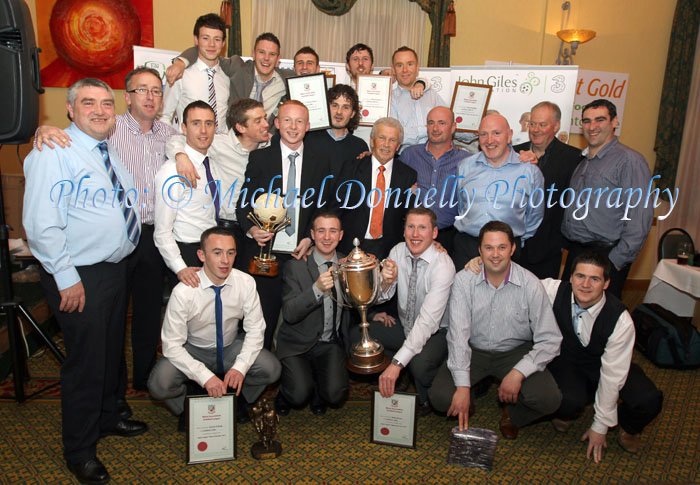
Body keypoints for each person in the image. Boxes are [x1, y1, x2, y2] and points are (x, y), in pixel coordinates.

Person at [23, 78, 147, 484]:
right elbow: (42, 225)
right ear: (70, 110)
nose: (99, 110)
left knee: (111, 353)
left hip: (113, 269)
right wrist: (65, 276)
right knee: (86, 365)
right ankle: (79, 450)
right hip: (79, 275)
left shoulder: (105, 148)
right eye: (89, 103)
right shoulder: (53, 152)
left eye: (107, 104)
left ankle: (108, 416)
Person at [33, 67, 180, 403]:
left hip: (152, 236)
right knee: (103, 329)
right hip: (109, 243)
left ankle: (142, 383)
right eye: (141, 90)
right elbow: (71, 139)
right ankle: (110, 394)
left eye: (156, 90)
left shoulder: (170, 136)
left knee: (141, 316)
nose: (149, 96)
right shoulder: (108, 130)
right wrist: (43, 130)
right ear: (127, 97)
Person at [429, 221, 562, 439]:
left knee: (549, 399)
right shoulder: (464, 281)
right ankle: (467, 401)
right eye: (489, 248)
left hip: (515, 351)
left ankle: (513, 415)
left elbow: (550, 339)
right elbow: (458, 336)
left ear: (512, 248)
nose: (495, 254)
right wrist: (462, 387)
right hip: (475, 350)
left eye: (502, 247)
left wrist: (519, 372)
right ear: (479, 250)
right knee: (441, 397)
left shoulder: (530, 284)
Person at [147, 227, 281, 427]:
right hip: (194, 350)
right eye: (217, 253)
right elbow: (172, 346)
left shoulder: (245, 283)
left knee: (271, 369)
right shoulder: (183, 292)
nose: (225, 261)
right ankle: (188, 410)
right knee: (159, 384)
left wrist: (240, 368)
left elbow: (255, 329)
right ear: (201, 255)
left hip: (229, 347)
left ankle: (238, 400)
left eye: (230, 252)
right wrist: (204, 377)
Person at [542, 252, 662, 462]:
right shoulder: (553, 290)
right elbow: (517, 281)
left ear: (606, 283)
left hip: (608, 364)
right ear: (570, 278)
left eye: (595, 279)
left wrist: (601, 425)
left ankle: (627, 426)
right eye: (580, 276)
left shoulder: (621, 320)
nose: (585, 284)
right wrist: (482, 263)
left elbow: (612, 374)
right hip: (569, 363)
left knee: (649, 400)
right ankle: (572, 408)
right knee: (566, 401)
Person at [236, 100, 331, 349]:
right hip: (266, 254)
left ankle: (292, 378)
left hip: (302, 255)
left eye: (300, 121)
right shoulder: (260, 159)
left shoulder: (321, 161)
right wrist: (252, 229)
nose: (293, 126)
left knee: (300, 323)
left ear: (308, 126)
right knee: (262, 320)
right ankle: (257, 375)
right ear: (277, 123)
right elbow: (243, 205)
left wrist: (311, 238)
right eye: (287, 120)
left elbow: (325, 206)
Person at [561, 99, 653, 298]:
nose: (592, 127)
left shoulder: (630, 161)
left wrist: (615, 261)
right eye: (586, 121)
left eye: (599, 120)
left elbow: (640, 218)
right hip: (577, 253)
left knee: (600, 320)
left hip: (606, 256)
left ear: (614, 122)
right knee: (569, 313)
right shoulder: (584, 162)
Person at [166, 98, 271, 260]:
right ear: (241, 127)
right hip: (223, 227)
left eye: (264, 118)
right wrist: (180, 156)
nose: (266, 124)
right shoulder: (218, 143)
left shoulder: (269, 148)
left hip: (255, 230)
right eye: (258, 121)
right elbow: (176, 140)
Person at [374, 208, 455, 416]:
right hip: (405, 325)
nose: (415, 234)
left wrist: (396, 364)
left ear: (434, 233)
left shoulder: (443, 266)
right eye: (410, 227)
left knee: (420, 364)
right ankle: (407, 364)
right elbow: (382, 298)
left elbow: (427, 322)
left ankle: (430, 390)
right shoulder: (397, 251)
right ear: (404, 231)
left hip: (438, 332)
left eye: (422, 228)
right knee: (360, 335)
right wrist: (385, 281)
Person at [275, 212, 349, 416]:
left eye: (332, 231)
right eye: (321, 231)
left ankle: (319, 385)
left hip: (329, 343)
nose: (327, 237)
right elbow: (289, 314)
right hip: (297, 344)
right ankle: (285, 391)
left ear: (340, 235)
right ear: (312, 235)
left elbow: (362, 296)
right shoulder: (295, 267)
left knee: (335, 395)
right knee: (298, 395)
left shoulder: (347, 264)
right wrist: (316, 289)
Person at [452, 113, 544, 271]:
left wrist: (511, 242)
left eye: (496, 133)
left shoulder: (530, 172)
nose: (489, 140)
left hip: (507, 251)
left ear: (509, 136)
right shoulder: (464, 167)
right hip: (466, 248)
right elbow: (461, 206)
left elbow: (534, 216)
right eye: (483, 134)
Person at [331, 117, 417, 260]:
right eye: (382, 138)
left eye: (392, 140)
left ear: (398, 146)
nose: (386, 145)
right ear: (372, 141)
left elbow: (409, 216)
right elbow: (336, 208)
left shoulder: (408, 175)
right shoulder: (351, 168)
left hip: (389, 250)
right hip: (350, 247)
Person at [168, 32, 295, 129]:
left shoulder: (287, 80)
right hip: (233, 143)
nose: (266, 58)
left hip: (265, 145)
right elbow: (206, 51)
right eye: (262, 52)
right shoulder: (237, 67)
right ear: (253, 54)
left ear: (279, 58)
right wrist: (181, 62)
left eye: (272, 54)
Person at [513, 101, 581, 278]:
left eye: (542, 124)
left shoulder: (573, 158)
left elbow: (572, 204)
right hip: (511, 246)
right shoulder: (513, 153)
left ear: (557, 126)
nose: (535, 129)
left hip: (547, 249)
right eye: (532, 123)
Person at [154, 101, 217, 289]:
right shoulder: (173, 171)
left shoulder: (210, 163)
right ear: (183, 128)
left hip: (210, 250)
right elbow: (162, 230)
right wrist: (180, 268)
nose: (203, 131)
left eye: (209, 123)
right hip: (187, 253)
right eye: (196, 123)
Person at [400, 106, 467, 252]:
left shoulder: (466, 161)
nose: (435, 128)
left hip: (449, 237)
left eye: (442, 123)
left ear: (453, 127)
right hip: (412, 236)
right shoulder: (409, 155)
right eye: (431, 123)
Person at [161, 14, 229, 129]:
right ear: (196, 40)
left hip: (221, 144)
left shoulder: (227, 77)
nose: (211, 44)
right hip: (188, 144)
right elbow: (164, 117)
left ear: (223, 43)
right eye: (205, 38)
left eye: (217, 39)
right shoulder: (180, 75)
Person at [304, 83, 369, 178]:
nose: (339, 112)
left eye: (345, 107)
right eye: (335, 105)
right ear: (326, 107)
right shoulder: (308, 139)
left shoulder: (359, 147)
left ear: (352, 113)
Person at [389, 46, 446, 150]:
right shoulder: (389, 99)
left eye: (410, 64)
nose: (405, 70)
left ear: (417, 67)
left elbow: (448, 124)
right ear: (393, 70)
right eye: (399, 65)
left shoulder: (431, 95)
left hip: (437, 156)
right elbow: (396, 135)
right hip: (406, 159)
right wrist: (429, 128)